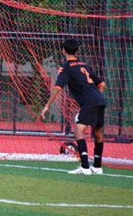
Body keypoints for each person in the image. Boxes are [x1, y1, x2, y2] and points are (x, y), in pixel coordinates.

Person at [40, 38, 106, 175]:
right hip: (100, 100)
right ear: (77, 51)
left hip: (90, 102)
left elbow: (57, 88)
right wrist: (96, 98)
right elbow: (102, 85)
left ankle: (85, 167)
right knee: (98, 132)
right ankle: (98, 167)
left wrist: (47, 106)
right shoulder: (84, 65)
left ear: (63, 51)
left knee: (78, 132)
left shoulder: (66, 67)